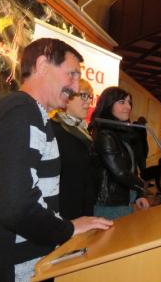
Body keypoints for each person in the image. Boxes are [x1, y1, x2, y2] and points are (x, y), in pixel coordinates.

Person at [0, 38, 113, 282]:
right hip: (6, 271)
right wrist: (68, 229)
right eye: (71, 75)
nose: (74, 86)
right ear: (42, 65)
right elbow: (15, 206)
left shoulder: (32, 114)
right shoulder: (21, 112)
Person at [90, 86, 150, 220]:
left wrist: (138, 194)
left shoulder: (121, 133)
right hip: (110, 206)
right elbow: (120, 173)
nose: (128, 107)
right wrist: (141, 186)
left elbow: (130, 168)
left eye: (129, 103)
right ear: (108, 104)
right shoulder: (105, 134)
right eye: (122, 102)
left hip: (123, 202)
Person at [51, 79, 95, 219]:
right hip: (63, 213)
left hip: (84, 210)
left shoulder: (83, 131)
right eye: (83, 95)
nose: (88, 102)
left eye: (90, 97)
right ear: (67, 98)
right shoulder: (53, 130)